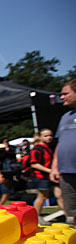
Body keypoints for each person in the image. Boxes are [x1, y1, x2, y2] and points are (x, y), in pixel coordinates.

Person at [50, 80, 76, 225]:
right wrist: (55, 166)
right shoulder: (65, 117)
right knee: (71, 210)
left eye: (66, 93)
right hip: (66, 172)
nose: (62, 97)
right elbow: (61, 143)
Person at [30, 128, 64, 224]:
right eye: (46, 136)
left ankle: (69, 216)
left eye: (50, 135)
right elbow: (34, 164)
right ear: (40, 137)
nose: (49, 138)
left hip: (50, 176)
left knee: (60, 194)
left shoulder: (48, 147)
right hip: (41, 177)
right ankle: (35, 218)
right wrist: (51, 170)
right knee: (42, 197)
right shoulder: (37, 149)